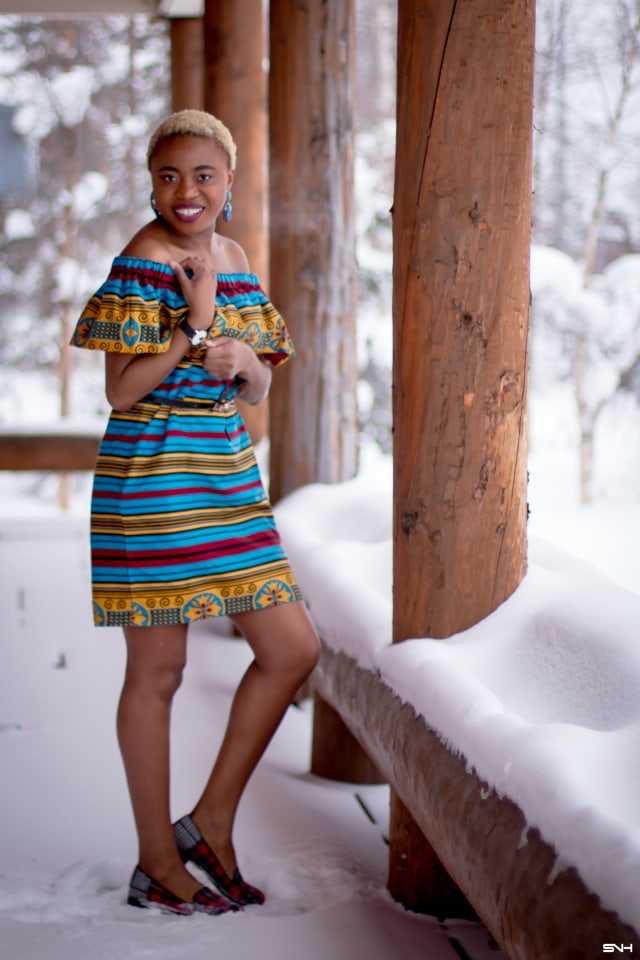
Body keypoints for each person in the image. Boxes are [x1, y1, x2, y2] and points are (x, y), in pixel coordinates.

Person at [71, 109, 320, 917]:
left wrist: (245, 359)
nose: (187, 192)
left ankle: (210, 820)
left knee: (292, 649)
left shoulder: (237, 257)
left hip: (226, 479)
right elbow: (120, 390)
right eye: (170, 176)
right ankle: (156, 861)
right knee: (159, 672)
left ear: (230, 184)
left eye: (204, 175)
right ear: (151, 182)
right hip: (152, 484)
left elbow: (257, 387)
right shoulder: (144, 261)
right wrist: (194, 329)